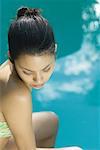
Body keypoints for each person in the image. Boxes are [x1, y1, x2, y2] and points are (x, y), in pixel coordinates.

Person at [0, 6, 82, 150]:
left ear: (55, 51)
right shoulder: (17, 94)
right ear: (11, 56)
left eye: (46, 69)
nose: (38, 79)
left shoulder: (8, 67)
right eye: (27, 72)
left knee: (50, 122)